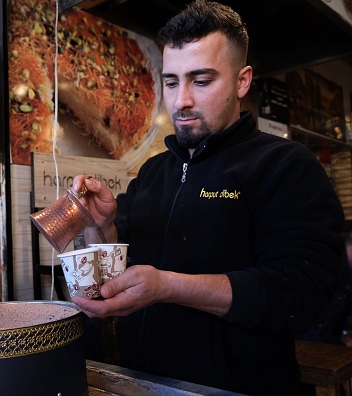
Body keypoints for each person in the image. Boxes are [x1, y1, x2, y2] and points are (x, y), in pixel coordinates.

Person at [70, 1, 345, 395]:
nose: (181, 100)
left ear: (242, 80)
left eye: (201, 81)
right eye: (170, 82)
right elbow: (115, 271)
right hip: (142, 382)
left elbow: (302, 292)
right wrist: (103, 226)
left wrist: (167, 286)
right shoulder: (152, 171)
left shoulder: (285, 165)